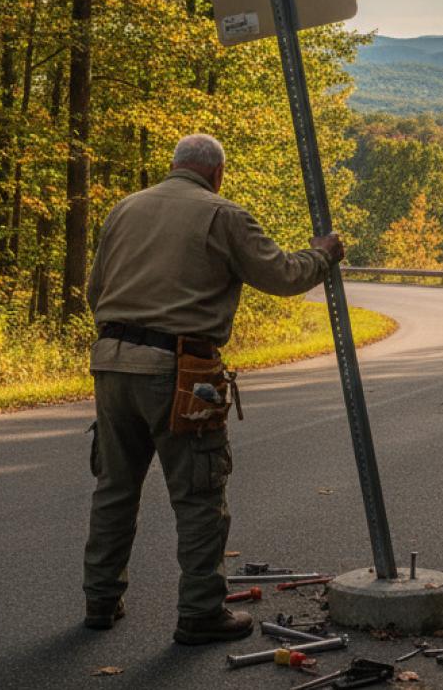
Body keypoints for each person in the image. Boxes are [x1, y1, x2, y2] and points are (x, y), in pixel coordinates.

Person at [81, 133, 344, 645]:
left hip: (111, 361)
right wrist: (322, 256)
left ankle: (100, 599)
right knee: (199, 493)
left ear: (175, 165)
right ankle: (201, 612)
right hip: (180, 370)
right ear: (216, 173)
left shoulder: (125, 208)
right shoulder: (223, 214)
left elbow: (96, 289)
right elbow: (283, 276)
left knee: (114, 489)